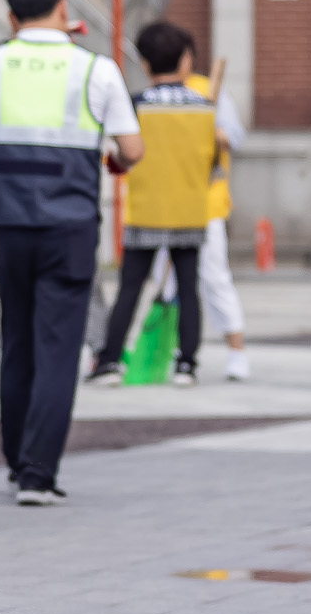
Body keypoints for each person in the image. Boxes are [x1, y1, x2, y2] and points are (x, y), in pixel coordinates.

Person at [0, 0, 142, 506]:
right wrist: (112, 158)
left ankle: (14, 458)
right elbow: (131, 149)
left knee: (16, 340)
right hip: (67, 225)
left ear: (10, 14)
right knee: (58, 346)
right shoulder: (96, 69)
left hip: (8, 222)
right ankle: (37, 474)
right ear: (65, 9)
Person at [93, 23, 218, 389]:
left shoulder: (136, 105)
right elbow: (212, 164)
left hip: (146, 207)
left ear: (145, 63)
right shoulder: (205, 107)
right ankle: (187, 363)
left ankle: (111, 360)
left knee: (130, 287)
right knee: (188, 287)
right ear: (185, 61)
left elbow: (121, 155)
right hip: (190, 208)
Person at [187, 60, 250, 380]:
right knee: (167, 283)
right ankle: (176, 350)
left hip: (207, 202)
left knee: (214, 276)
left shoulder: (208, 90)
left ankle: (236, 352)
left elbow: (235, 137)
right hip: (165, 206)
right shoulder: (153, 93)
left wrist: (208, 128)